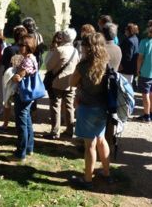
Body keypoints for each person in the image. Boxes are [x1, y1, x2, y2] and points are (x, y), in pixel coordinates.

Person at [70, 33, 111, 189]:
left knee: (90, 146)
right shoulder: (106, 63)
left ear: (87, 47)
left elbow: (72, 82)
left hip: (87, 107)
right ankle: (106, 173)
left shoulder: (83, 65)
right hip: (103, 107)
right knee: (101, 140)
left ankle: (87, 180)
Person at [44, 28, 80, 140]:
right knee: (69, 107)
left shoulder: (59, 50)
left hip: (57, 82)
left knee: (55, 106)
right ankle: (70, 130)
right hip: (70, 82)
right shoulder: (75, 51)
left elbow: (49, 66)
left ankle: (55, 131)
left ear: (63, 37)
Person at [9, 34, 38, 162]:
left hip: (22, 95)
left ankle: (20, 153)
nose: (19, 47)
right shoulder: (32, 57)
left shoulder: (26, 60)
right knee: (27, 120)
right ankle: (29, 148)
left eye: (22, 45)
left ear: (28, 46)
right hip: (29, 95)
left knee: (21, 124)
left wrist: (12, 73)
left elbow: (18, 77)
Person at [0, 25, 28, 132]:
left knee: (7, 102)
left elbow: (3, 63)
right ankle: (20, 124)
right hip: (22, 76)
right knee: (20, 101)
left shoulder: (9, 49)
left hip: (9, 77)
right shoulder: (27, 50)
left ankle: (5, 124)